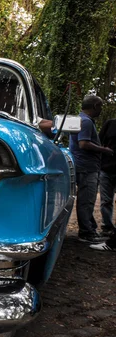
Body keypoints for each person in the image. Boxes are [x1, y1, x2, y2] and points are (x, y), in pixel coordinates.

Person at [69, 95, 114, 243]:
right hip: (86, 167)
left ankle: (90, 228)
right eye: (100, 106)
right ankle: (86, 233)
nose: (101, 110)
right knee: (86, 201)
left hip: (84, 165)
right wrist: (104, 149)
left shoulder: (80, 119)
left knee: (86, 200)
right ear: (95, 106)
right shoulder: (86, 122)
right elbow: (83, 143)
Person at [97, 118, 116, 238]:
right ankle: (107, 227)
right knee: (106, 200)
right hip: (106, 169)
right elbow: (99, 143)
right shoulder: (110, 123)